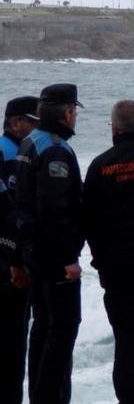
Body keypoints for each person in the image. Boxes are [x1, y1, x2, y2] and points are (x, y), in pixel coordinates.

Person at [15, 84, 85, 404]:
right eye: (73, 112)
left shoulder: (31, 141)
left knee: (42, 327)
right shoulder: (55, 149)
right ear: (68, 113)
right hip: (52, 256)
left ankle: (39, 396)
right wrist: (67, 259)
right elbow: (55, 210)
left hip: (33, 251)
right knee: (63, 328)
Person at [82, 100, 134, 404]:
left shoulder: (100, 165)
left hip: (119, 272)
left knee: (128, 346)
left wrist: (101, 263)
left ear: (113, 128)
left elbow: (87, 221)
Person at [0, 95, 39, 404]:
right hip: (7, 263)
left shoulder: (26, 153)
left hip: (16, 258)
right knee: (11, 347)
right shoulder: (7, 153)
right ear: (14, 123)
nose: (38, 126)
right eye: (33, 120)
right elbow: (9, 213)